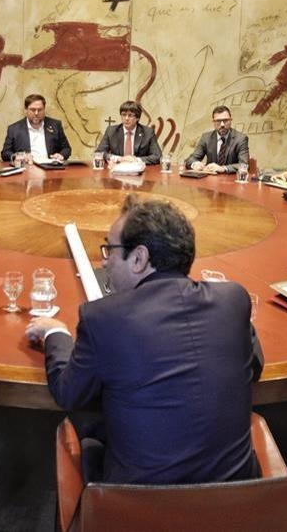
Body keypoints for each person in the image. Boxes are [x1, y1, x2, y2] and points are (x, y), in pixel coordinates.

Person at [25, 195, 263, 485]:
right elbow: (255, 365)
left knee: (85, 437)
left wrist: (56, 332)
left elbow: (68, 393)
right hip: (241, 503)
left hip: (143, 510)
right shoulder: (233, 299)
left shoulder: (103, 318)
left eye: (109, 249)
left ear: (139, 258)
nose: (104, 261)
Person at [0, 93, 72, 163]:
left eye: (40, 110)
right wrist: (17, 156)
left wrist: (61, 155)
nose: (36, 113)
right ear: (26, 110)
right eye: (33, 110)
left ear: (44, 109)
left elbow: (66, 148)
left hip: (50, 168)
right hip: (27, 168)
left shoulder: (55, 125)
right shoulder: (14, 129)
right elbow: (5, 153)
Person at [185, 105, 250, 174]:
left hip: (231, 180)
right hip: (209, 180)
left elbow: (244, 165)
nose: (222, 125)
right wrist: (195, 164)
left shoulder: (241, 139)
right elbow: (190, 160)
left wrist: (223, 168)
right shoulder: (206, 137)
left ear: (230, 120)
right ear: (213, 122)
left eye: (225, 120)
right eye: (218, 121)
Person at [94, 100, 162, 165]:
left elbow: (157, 156)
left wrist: (136, 160)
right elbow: (99, 152)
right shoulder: (111, 131)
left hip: (139, 170)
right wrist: (119, 159)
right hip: (117, 169)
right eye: (124, 115)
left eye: (130, 115)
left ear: (137, 118)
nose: (126, 118)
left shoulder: (148, 132)